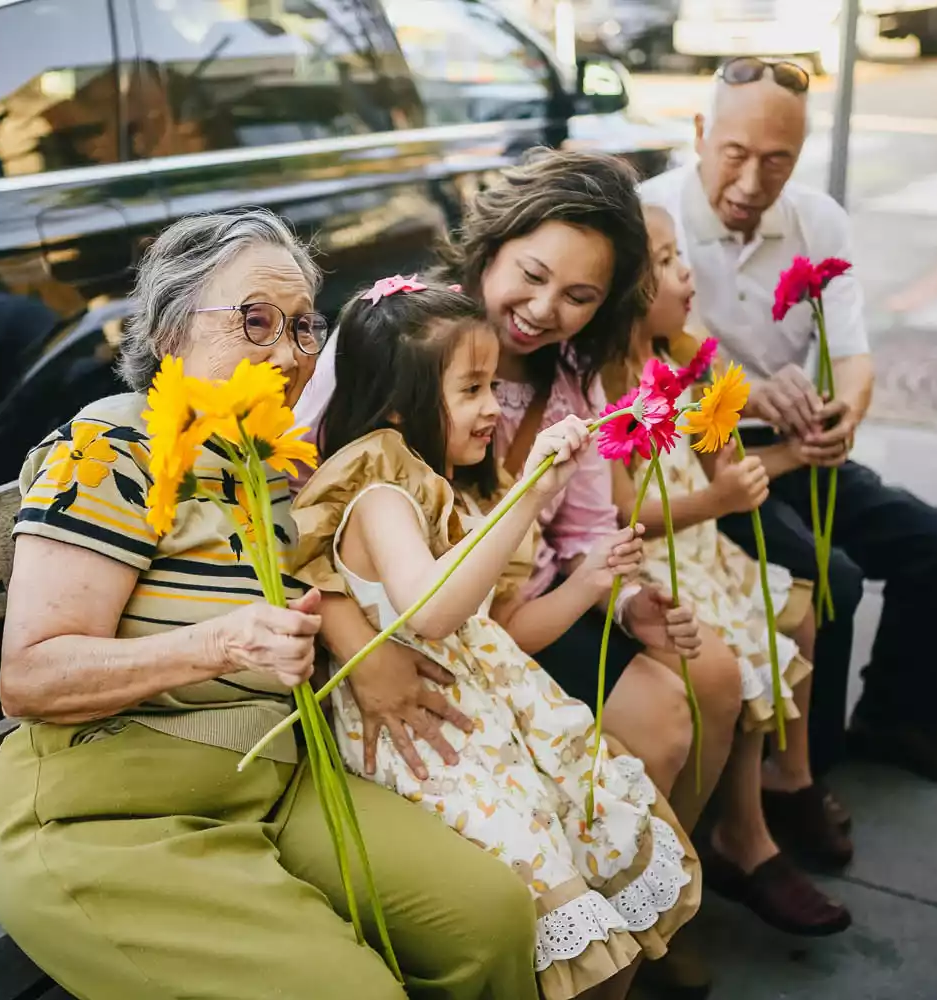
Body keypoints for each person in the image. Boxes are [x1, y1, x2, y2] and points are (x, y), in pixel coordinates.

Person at [0, 209, 541, 1000]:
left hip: (274, 790)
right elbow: (30, 678)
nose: (286, 351)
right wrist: (218, 645)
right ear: (173, 331)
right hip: (111, 819)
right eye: (255, 322)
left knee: (495, 918)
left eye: (304, 327)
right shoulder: (113, 447)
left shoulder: (275, 467)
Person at [296, 148, 745, 998]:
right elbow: (300, 515)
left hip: (509, 618)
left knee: (703, 675)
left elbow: (583, 534)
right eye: (532, 276)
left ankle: (641, 921)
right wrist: (361, 640)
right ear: (493, 248)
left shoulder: (571, 381)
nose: (544, 311)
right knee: (656, 724)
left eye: (579, 297)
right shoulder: (402, 342)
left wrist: (627, 600)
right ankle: (593, 936)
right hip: (425, 630)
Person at [638, 58, 937, 789]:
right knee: (832, 582)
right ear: (701, 133)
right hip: (703, 457)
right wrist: (757, 396)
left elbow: (853, 356)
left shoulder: (818, 219)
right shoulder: (651, 218)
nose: (749, 183)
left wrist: (843, 420)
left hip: (798, 445)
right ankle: (804, 775)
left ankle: (898, 719)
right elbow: (679, 352)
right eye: (735, 154)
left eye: (777, 162)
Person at [602, 204, 851, 938]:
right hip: (662, 557)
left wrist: (773, 456)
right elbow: (624, 510)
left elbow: (723, 457)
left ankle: (788, 781)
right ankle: (744, 837)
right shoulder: (615, 381)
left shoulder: (681, 355)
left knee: (798, 610)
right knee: (745, 648)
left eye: (682, 254)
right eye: (668, 261)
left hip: (704, 544)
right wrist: (717, 493)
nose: (687, 273)